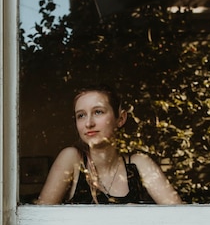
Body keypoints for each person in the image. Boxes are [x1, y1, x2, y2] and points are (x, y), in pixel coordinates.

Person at [36, 84, 183, 205]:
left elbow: (179, 216)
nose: (89, 123)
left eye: (98, 112)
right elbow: (41, 221)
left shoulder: (138, 164)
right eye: (81, 115)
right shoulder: (73, 158)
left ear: (121, 119)